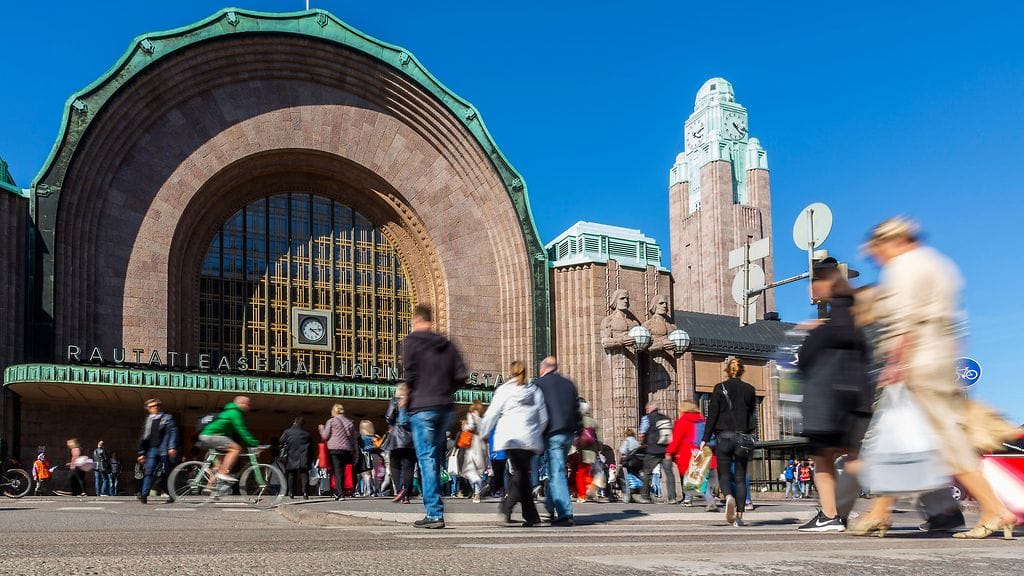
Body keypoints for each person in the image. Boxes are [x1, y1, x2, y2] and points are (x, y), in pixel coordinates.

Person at [851, 217, 1016, 539]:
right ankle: (879, 511)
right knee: (900, 435)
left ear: (892, 242)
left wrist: (896, 364)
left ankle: (995, 509)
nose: (877, 258)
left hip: (917, 360)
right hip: (939, 355)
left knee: (937, 438)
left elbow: (905, 320)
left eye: (877, 252)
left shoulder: (904, 266)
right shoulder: (939, 264)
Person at [796, 258, 873, 533]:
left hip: (828, 400)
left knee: (822, 458)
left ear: (826, 282)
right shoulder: (857, 312)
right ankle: (840, 513)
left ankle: (831, 515)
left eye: (815, 281)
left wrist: (811, 335)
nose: (812, 287)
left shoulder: (832, 321)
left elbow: (804, 361)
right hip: (858, 396)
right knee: (853, 456)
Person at [402, 303, 468, 529]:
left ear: (417, 321)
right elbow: (462, 375)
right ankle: (434, 508)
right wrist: (445, 390)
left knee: (427, 459)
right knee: (436, 458)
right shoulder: (447, 344)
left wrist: (407, 396)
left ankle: (434, 512)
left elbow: (410, 374)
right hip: (445, 407)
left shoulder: (412, 341)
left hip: (422, 407)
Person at [478, 360, 548, 527]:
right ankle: (528, 515)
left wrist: (483, 432)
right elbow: (543, 417)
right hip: (529, 439)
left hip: (511, 438)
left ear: (511, 373)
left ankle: (509, 507)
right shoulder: (534, 391)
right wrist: (537, 433)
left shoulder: (504, 390)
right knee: (521, 473)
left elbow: (492, 414)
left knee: (520, 474)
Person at [700, 358, 756, 527]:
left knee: (724, 474)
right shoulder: (750, 390)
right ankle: (739, 515)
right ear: (742, 371)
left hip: (723, 437)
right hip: (743, 437)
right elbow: (751, 415)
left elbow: (712, 416)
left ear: (727, 371)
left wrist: (704, 439)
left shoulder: (719, 388)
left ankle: (728, 497)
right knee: (740, 476)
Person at [534, 355, 579, 526]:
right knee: (555, 469)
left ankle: (565, 512)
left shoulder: (539, 384)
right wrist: (579, 432)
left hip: (551, 433)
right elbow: (577, 410)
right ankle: (550, 506)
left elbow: (535, 411)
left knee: (557, 472)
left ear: (543, 369)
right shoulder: (569, 384)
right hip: (567, 433)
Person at [198, 396, 259, 486]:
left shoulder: (230, 411)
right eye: (248, 404)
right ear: (241, 403)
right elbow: (242, 430)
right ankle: (223, 474)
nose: (249, 407)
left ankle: (209, 487)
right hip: (212, 435)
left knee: (221, 465)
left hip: (209, 435)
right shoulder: (235, 413)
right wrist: (254, 443)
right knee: (236, 449)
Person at [667, 402, 714, 508]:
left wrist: (669, 451)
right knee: (699, 475)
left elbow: (676, 439)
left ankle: (688, 498)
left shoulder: (683, 421)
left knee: (687, 475)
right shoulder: (702, 420)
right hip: (702, 450)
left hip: (687, 452)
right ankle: (707, 497)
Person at [136, 398, 178, 504]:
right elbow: (144, 437)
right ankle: (144, 495)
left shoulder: (167, 418)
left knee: (166, 474)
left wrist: (172, 447)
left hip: (164, 450)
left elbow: (173, 433)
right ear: (148, 409)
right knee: (149, 472)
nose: (155, 408)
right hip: (152, 450)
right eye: (152, 406)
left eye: (156, 405)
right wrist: (141, 452)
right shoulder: (148, 420)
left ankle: (171, 495)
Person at [637, 402, 677, 504]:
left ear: (649, 409)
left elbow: (642, 433)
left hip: (653, 450)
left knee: (646, 472)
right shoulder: (665, 418)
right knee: (669, 474)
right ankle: (672, 498)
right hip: (666, 450)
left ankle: (644, 496)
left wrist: (641, 443)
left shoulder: (646, 418)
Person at [318, 403, 358, 501]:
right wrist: (355, 453)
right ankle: (343, 491)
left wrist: (321, 429)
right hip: (347, 450)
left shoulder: (331, 421)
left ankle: (340, 493)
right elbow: (354, 440)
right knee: (344, 471)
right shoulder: (349, 423)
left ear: (334, 411)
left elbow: (325, 436)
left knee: (337, 471)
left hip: (334, 449)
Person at [384, 383, 416, 504]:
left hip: (396, 438)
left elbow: (388, 417)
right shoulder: (413, 402)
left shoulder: (394, 401)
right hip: (411, 439)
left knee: (395, 465)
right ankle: (406, 495)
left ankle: (398, 490)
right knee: (409, 467)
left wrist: (392, 423)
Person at [460, 400, 490, 503]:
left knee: (468, 469)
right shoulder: (483, 419)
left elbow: (471, 426)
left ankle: (480, 485)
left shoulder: (471, 415)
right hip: (483, 445)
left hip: (473, 444)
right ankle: (477, 492)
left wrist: (465, 427)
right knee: (478, 470)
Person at [572, 401, 600, 503]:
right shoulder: (593, 422)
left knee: (580, 473)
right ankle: (590, 487)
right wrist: (599, 449)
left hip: (581, 451)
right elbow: (599, 438)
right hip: (592, 452)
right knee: (586, 472)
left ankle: (582, 494)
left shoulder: (578, 421)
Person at [279, 417, 313, 499]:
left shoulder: (288, 432)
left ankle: (291, 492)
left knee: (291, 475)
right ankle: (305, 493)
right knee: (304, 474)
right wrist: (312, 458)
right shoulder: (306, 434)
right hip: (303, 456)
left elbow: (281, 440)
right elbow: (311, 447)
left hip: (291, 455)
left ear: (294, 422)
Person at [618, 428, 643, 503]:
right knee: (635, 477)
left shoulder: (627, 441)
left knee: (624, 478)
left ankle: (627, 496)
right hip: (636, 464)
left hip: (628, 463)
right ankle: (636, 493)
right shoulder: (636, 442)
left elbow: (622, 450)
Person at [357, 420, 380, 497]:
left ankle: (368, 490)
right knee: (375, 474)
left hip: (366, 455)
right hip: (376, 456)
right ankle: (376, 490)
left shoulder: (361, 437)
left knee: (367, 474)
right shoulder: (376, 436)